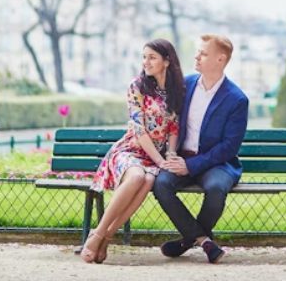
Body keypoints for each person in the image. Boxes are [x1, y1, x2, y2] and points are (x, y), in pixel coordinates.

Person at [80, 39, 185, 264]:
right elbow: (138, 128)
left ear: (166, 62)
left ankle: (107, 238)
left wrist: (171, 154)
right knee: (137, 175)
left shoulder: (177, 90)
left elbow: (174, 126)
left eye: (152, 57)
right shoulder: (137, 86)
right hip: (130, 150)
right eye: (144, 56)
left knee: (147, 181)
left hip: (154, 156)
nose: (146, 62)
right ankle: (97, 233)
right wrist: (160, 161)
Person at [154, 34, 248, 264]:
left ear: (220, 59)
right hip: (181, 156)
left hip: (217, 163)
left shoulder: (237, 99)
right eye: (198, 51)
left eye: (204, 53)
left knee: (216, 188)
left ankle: (189, 240)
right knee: (161, 184)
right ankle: (204, 240)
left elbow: (229, 147)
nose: (197, 56)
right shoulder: (185, 85)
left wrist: (191, 165)